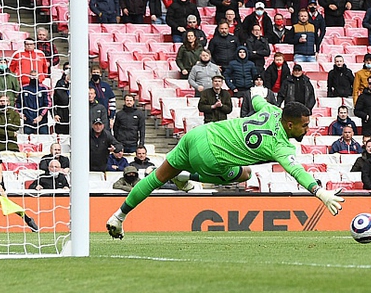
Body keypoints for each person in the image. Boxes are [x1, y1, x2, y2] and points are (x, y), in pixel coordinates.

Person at [107, 97, 343, 237]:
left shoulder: (272, 110)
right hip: (211, 157)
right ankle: (188, 176)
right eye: (303, 126)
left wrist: (260, 92)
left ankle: (118, 217)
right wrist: (320, 192)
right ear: (289, 124)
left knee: (155, 179)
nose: (307, 129)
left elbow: (257, 97)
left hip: (199, 133)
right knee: (245, 173)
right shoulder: (281, 146)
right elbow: (297, 172)